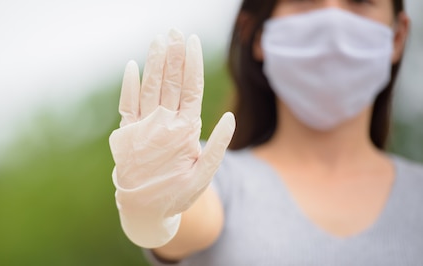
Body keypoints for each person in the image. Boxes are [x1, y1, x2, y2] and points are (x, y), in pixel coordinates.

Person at [108, 0, 423, 264]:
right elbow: (182, 216)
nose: (333, 23)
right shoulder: (215, 177)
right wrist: (151, 209)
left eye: (359, 0)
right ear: (257, 35)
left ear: (397, 37)